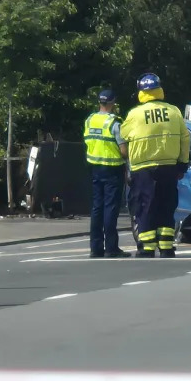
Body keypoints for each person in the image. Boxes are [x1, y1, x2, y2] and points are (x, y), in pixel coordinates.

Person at [119, 73, 190, 258]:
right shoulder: (174, 112)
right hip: (169, 167)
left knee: (144, 206)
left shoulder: (134, 114)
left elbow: (122, 136)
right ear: (159, 89)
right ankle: (166, 247)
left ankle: (147, 247)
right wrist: (182, 165)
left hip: (143, 169)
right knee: (166, 206)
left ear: (141, 91)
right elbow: (185, 138)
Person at [84, 88, 130, 258]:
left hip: (95, 168)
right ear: (112, 103)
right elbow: (123, 150)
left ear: (99, 102)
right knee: (111, 208)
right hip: (113, 169)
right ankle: (111, 248)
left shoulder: (90, 120)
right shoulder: (115, 123)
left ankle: (95, 248)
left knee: (97, 208)